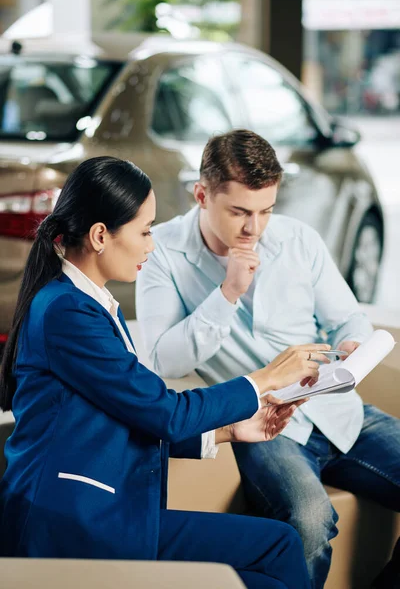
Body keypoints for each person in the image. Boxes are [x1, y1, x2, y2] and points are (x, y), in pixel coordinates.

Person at [0, 156, 328, 589]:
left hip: (115, 514)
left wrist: (230, 431)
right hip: (74, 524)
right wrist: (266, 377)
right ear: (101, 236)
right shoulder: (67, 312)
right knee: (273, 562)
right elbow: (164, 412)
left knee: (280, 546)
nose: (151, 246)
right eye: (145, 230)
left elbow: (130, 413)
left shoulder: (89, 303)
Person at [135, 130, 400, 589]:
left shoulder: (299, 240)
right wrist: (227, 293)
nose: (253, 228)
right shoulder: (160, 254)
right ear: (202, 195)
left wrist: (354, 344)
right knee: (311, 520)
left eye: (264, 212)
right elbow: (162, 359)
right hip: (265, 424)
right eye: (239, 212)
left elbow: (347, 319)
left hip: (339, 412)